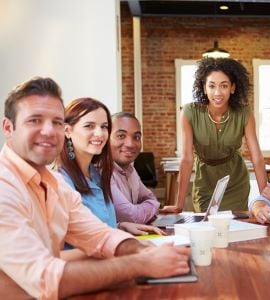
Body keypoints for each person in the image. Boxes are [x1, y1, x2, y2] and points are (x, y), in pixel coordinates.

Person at [0, 77, 190, 299]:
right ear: (8, 127)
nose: (49, 131)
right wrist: (141, 263)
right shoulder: (6, 187)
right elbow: (46, 278)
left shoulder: (54, 184)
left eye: (57, 122)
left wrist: (148, 251)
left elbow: (100, 235)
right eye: (35, 120)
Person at [161, 58, 267, 213]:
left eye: (224, 86)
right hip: (205, 183)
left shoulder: (244, 113)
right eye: (211, 86)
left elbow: (257, 158)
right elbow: (187, 159)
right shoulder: (189, 112)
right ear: (204, 88)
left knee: (236, 230)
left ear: (232, 88)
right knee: (207, 227)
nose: (217, 93)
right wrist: (179, 204)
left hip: (235, 182)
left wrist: (265, 200)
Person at [57, 98, 162, 236]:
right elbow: (67, 244)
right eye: (89, 126)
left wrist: (120, 227)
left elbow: (98, 226)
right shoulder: (61, 181)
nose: (100, 133)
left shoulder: (95, 174)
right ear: (67, 131)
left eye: (104, 126)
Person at [110, 112, 160, 224]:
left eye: (136, 137)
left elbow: (152, 200)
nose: (130, 144)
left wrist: (147, 208)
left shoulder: (130, 170)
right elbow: (131, 217)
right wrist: (150, 208)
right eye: (121, 136)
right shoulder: (103, 171)